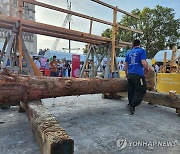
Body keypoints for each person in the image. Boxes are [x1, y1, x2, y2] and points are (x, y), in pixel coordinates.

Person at [124, 39, 149, 115]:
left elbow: (125, 65)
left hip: (130, 74)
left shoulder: (128, 52)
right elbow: (143, 62)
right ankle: (132, 105)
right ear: (139, 44)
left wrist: (127, 74)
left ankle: (131, 106)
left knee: (131, 90)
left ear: (133, 44)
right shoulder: (142, 51)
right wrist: (147, 68)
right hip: (138, 74)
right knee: (142, 89)